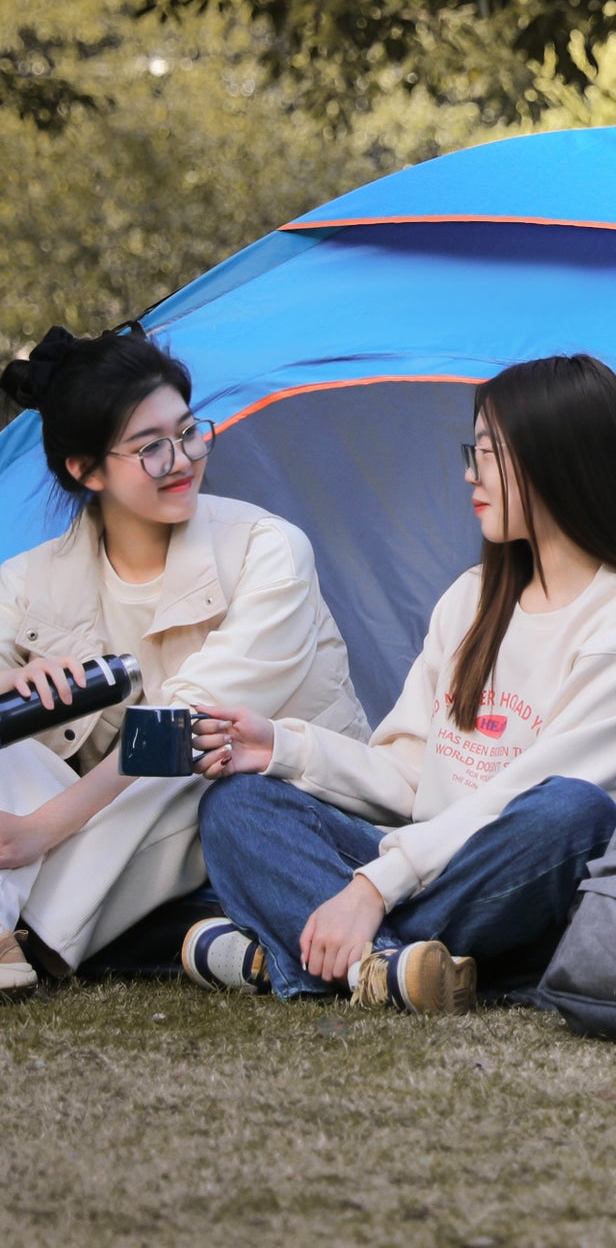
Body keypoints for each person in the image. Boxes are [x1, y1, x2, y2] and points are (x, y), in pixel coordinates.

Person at [187, 354, 616, 1016]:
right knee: (237, 803)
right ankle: (397, 968)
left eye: (489, 452)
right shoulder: (472, 599)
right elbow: (410, 774)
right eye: (471, 449)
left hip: (509, 882)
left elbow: (526, 799)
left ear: (560, 457)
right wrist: (279, 748)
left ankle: (324, 953)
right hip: (420, 871)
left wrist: (371, 888)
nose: (470, 471)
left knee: (571, 812)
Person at [0, 323, 369, 1000]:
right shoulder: (31, 581)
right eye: (150, 448)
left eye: (189, 430)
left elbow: (185, 721)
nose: (182, 458)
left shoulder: (267, 550)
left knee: (194, 753)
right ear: (85, 469)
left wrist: (37, 831)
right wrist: (8, 683)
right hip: (121, 839)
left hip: (266, 810)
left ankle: (27, 929)